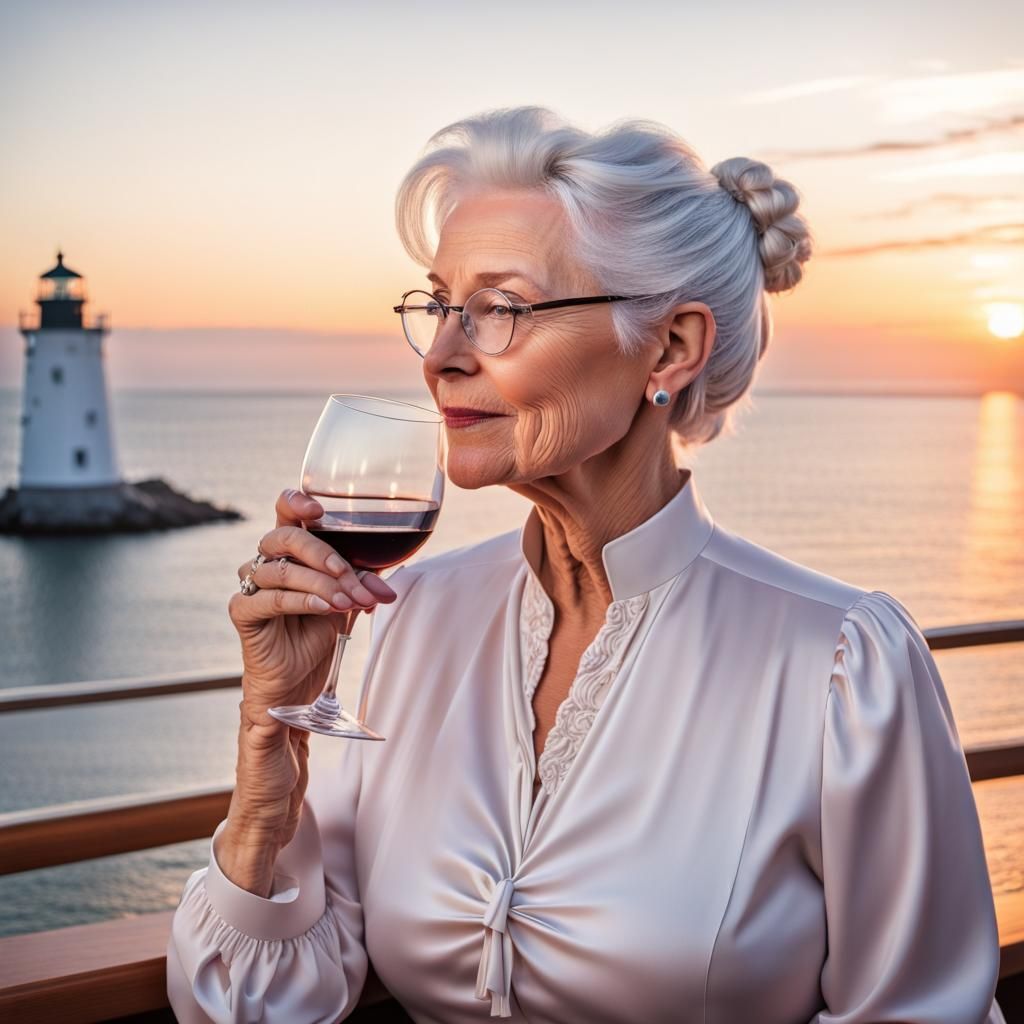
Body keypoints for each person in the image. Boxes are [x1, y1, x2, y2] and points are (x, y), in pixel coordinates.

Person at [167, 106, 1006, 1023]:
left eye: (500, 309)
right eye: (440, 304)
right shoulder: (408, 619)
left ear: (672, 348)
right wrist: (268, 758)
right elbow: (257, 1007)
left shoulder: (844, 665)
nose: (441, 356)